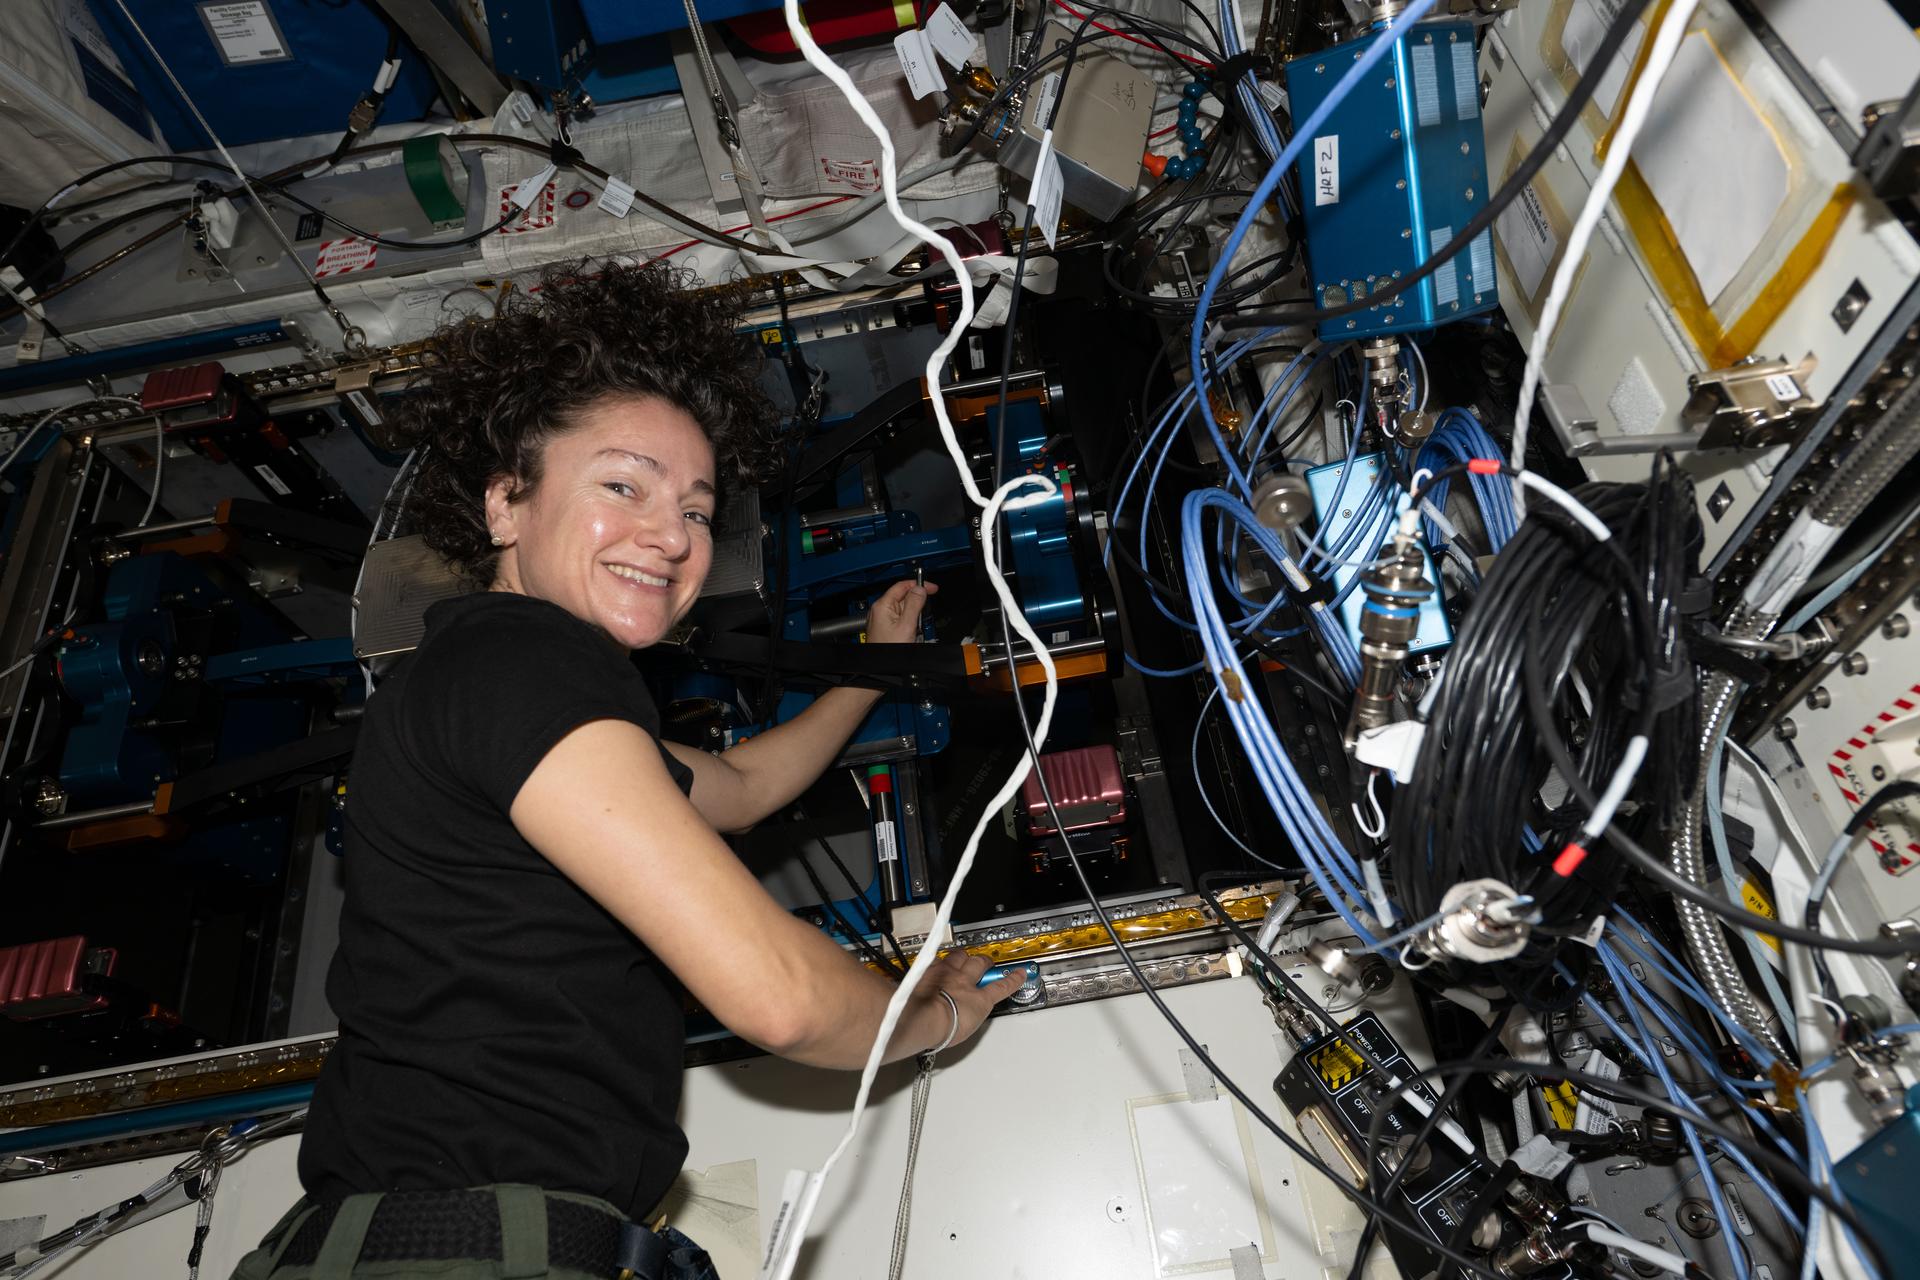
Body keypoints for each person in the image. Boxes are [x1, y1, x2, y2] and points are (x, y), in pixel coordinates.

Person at [232, 262, 1024, 1280]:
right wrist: (937, 1015)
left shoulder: (503, 690)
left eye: (697, 509)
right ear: (506, 505)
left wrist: (867, 668)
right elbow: (780, 996)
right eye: (622, 485)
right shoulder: (523, 661)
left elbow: (741, 787)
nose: (672, 534)